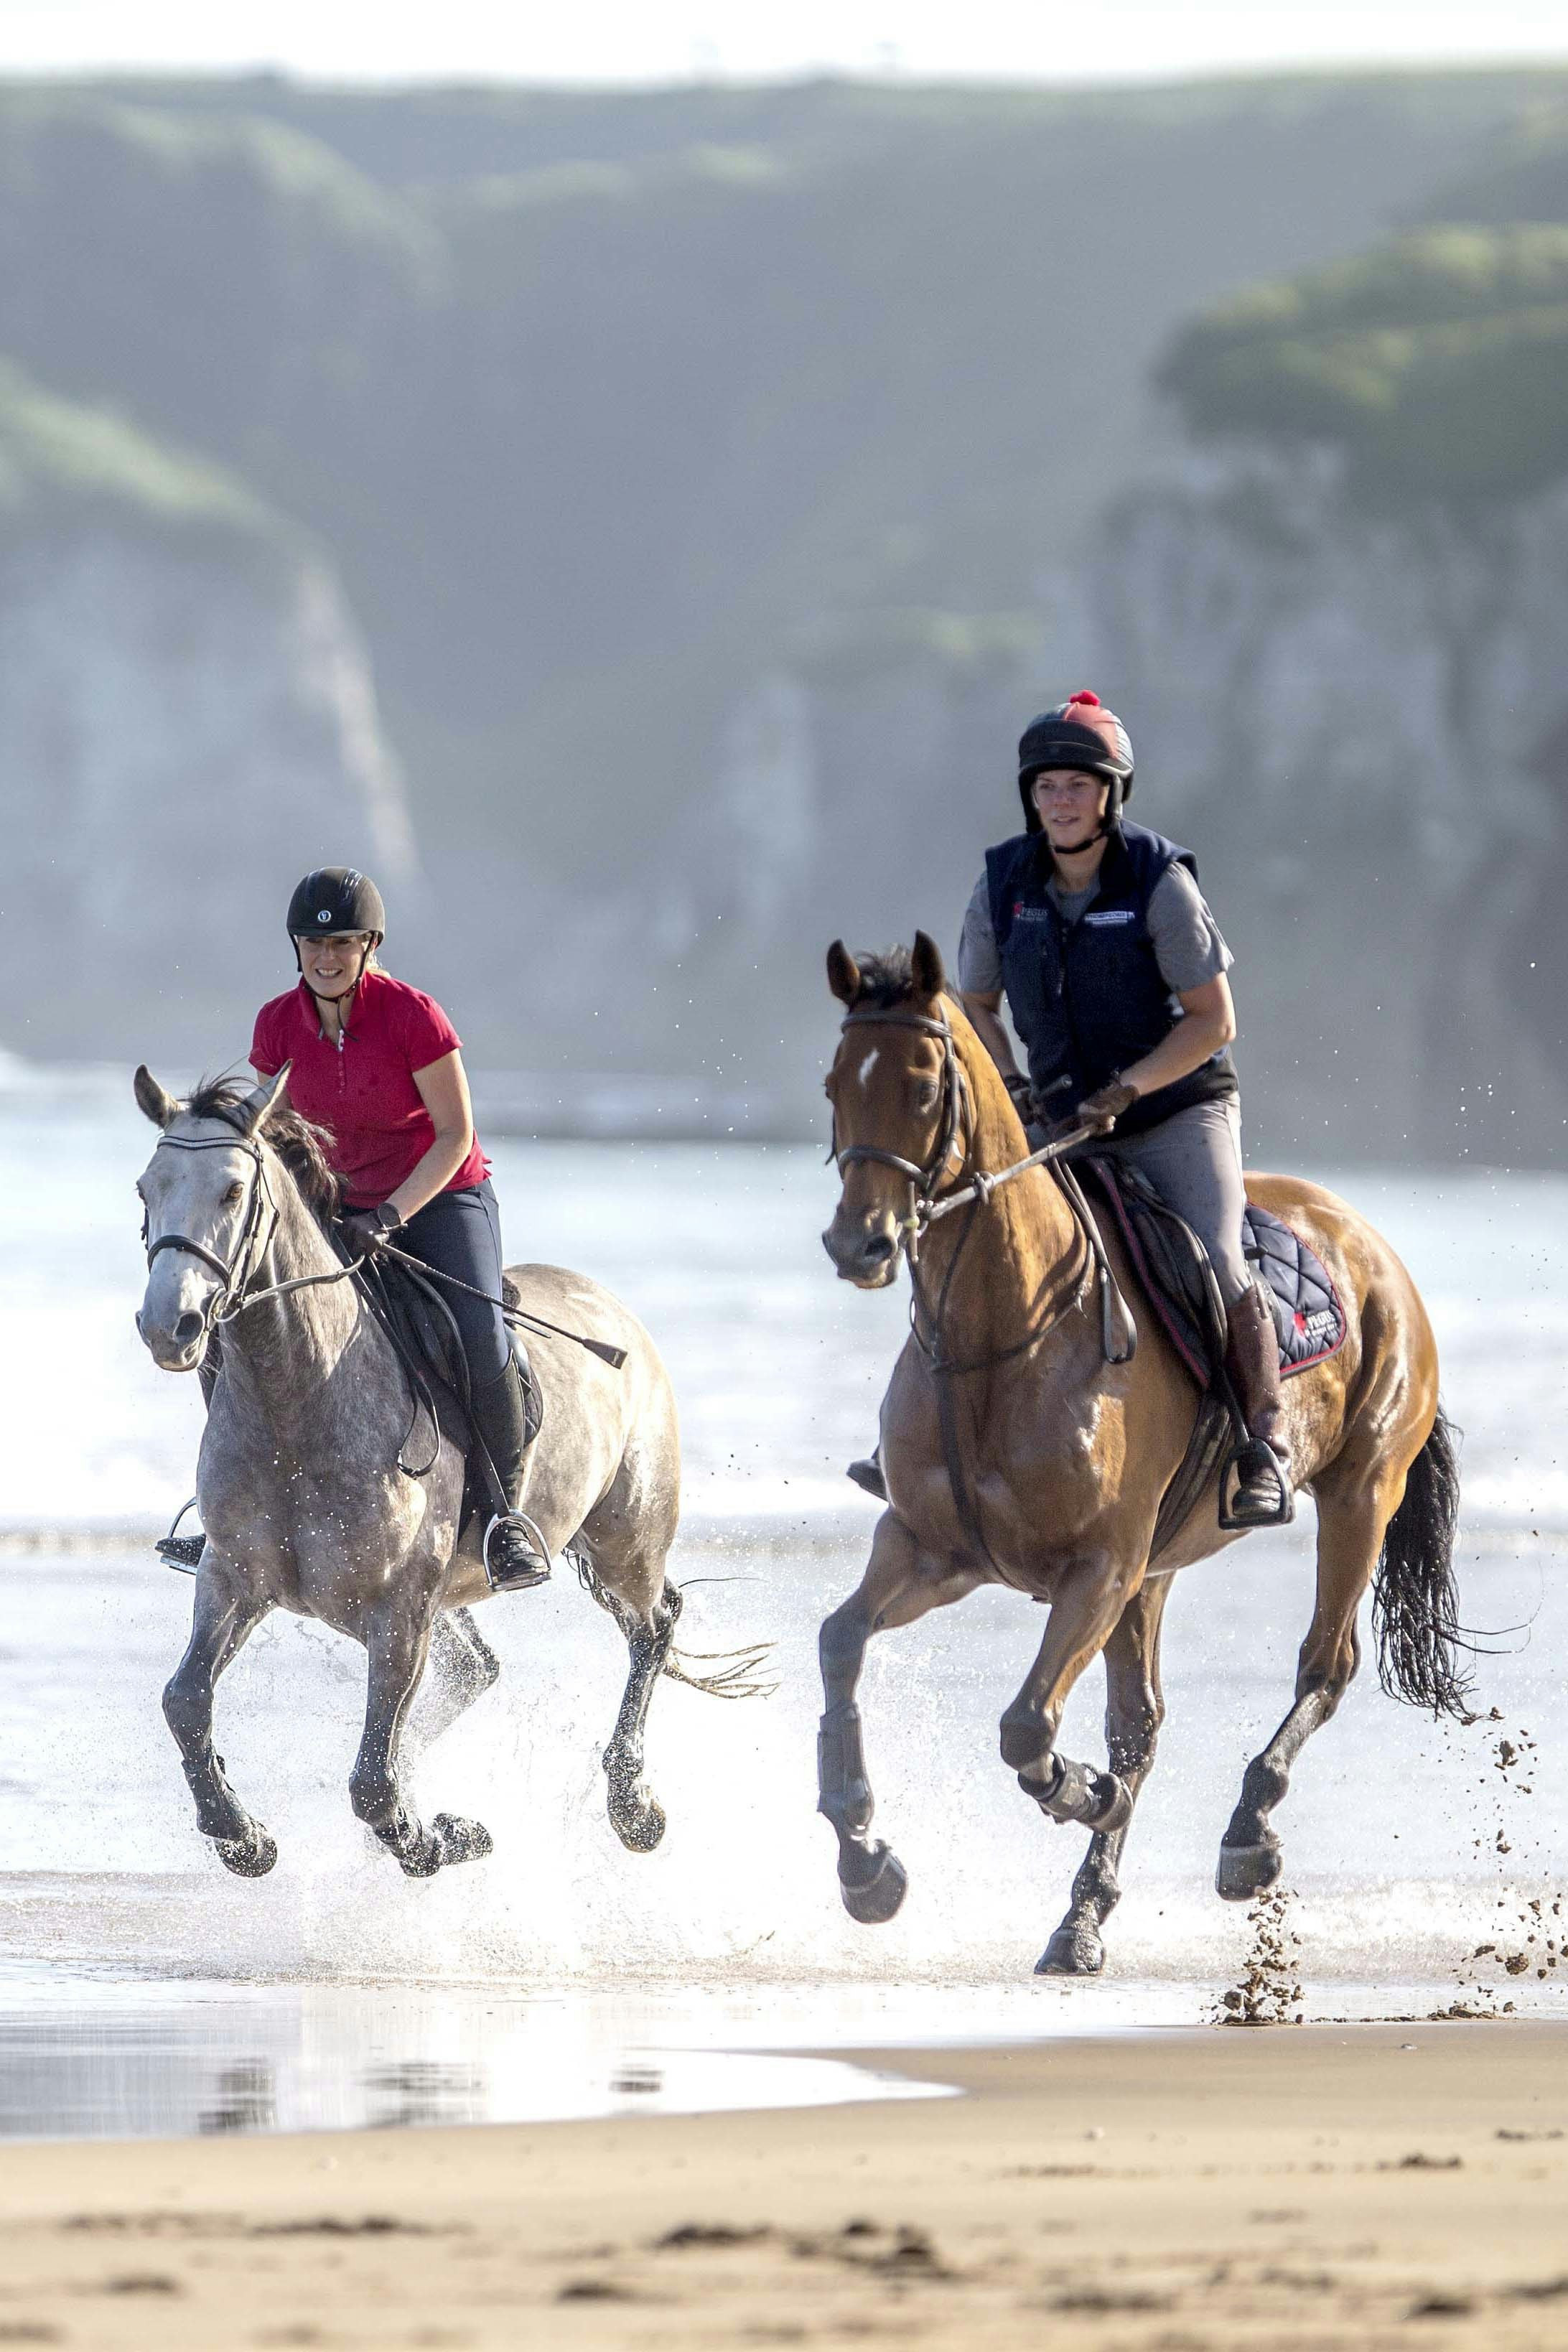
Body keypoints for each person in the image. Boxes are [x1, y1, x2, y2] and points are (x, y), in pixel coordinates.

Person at [849, 691, 1291, 1528]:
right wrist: (1013, 1088)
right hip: (1057, 1116)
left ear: (1109, 796)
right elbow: (973, 1002)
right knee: (967, 1245)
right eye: (1046, 787)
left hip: (1177, 1114)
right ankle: (906, 1443)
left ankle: (1259, 1446)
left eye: (1077, 787)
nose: (1060, 801)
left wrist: (1129, 1088)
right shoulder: (1002, 885)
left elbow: (1213, 1021)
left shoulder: (1159, 881)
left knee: (1223, 1262)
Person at [156, 867, 551, 1591]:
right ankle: (229, 1511)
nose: (325, 957)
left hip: (437, 1198)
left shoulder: (414, 1016)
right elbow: (265, 1134)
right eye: (312, 942)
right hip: (333, 1203)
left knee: (477, 1333)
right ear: (297, 947)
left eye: (341, 942)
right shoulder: (276, 1023)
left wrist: (393, 1216)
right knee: (234, 1324)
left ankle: (501, 1518)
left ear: (369, 945)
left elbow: (455, 1135)